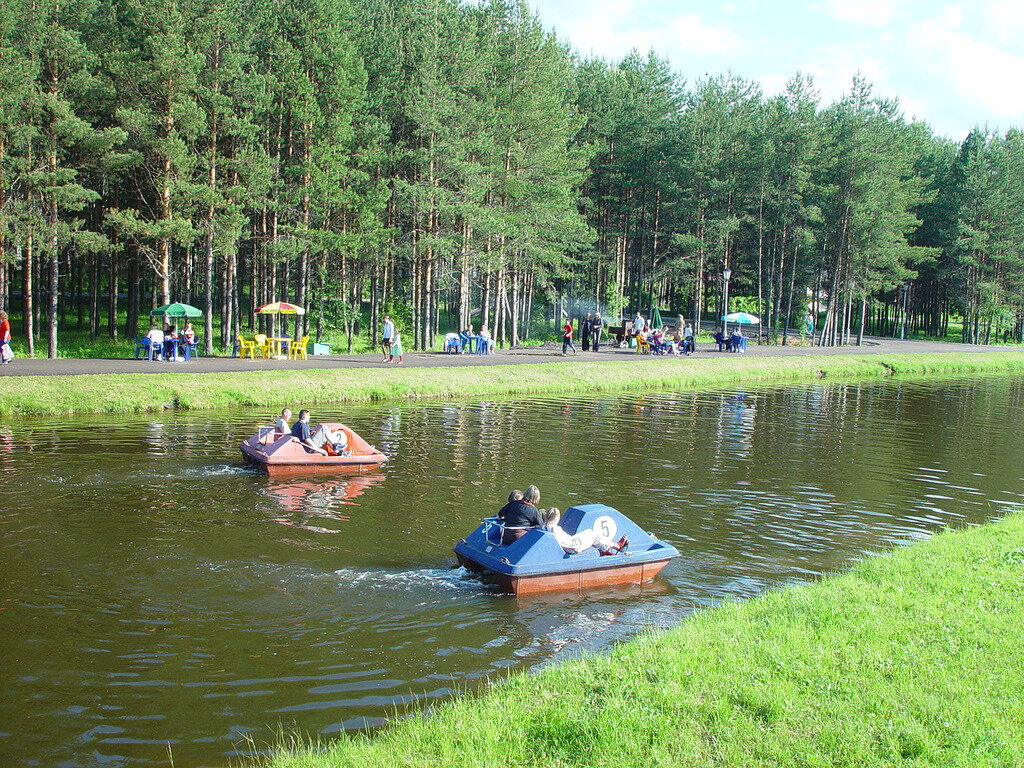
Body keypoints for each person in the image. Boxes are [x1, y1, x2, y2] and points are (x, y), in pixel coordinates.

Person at [543, 508, 627, 555]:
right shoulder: (555, 529)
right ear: (557, 518)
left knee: (589, 532)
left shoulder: (545, 526)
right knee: (594, 535)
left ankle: (603, 550)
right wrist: (576, 548)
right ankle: (616, 546)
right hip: (572, 545)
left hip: (571, 540)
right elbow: (561, 544)